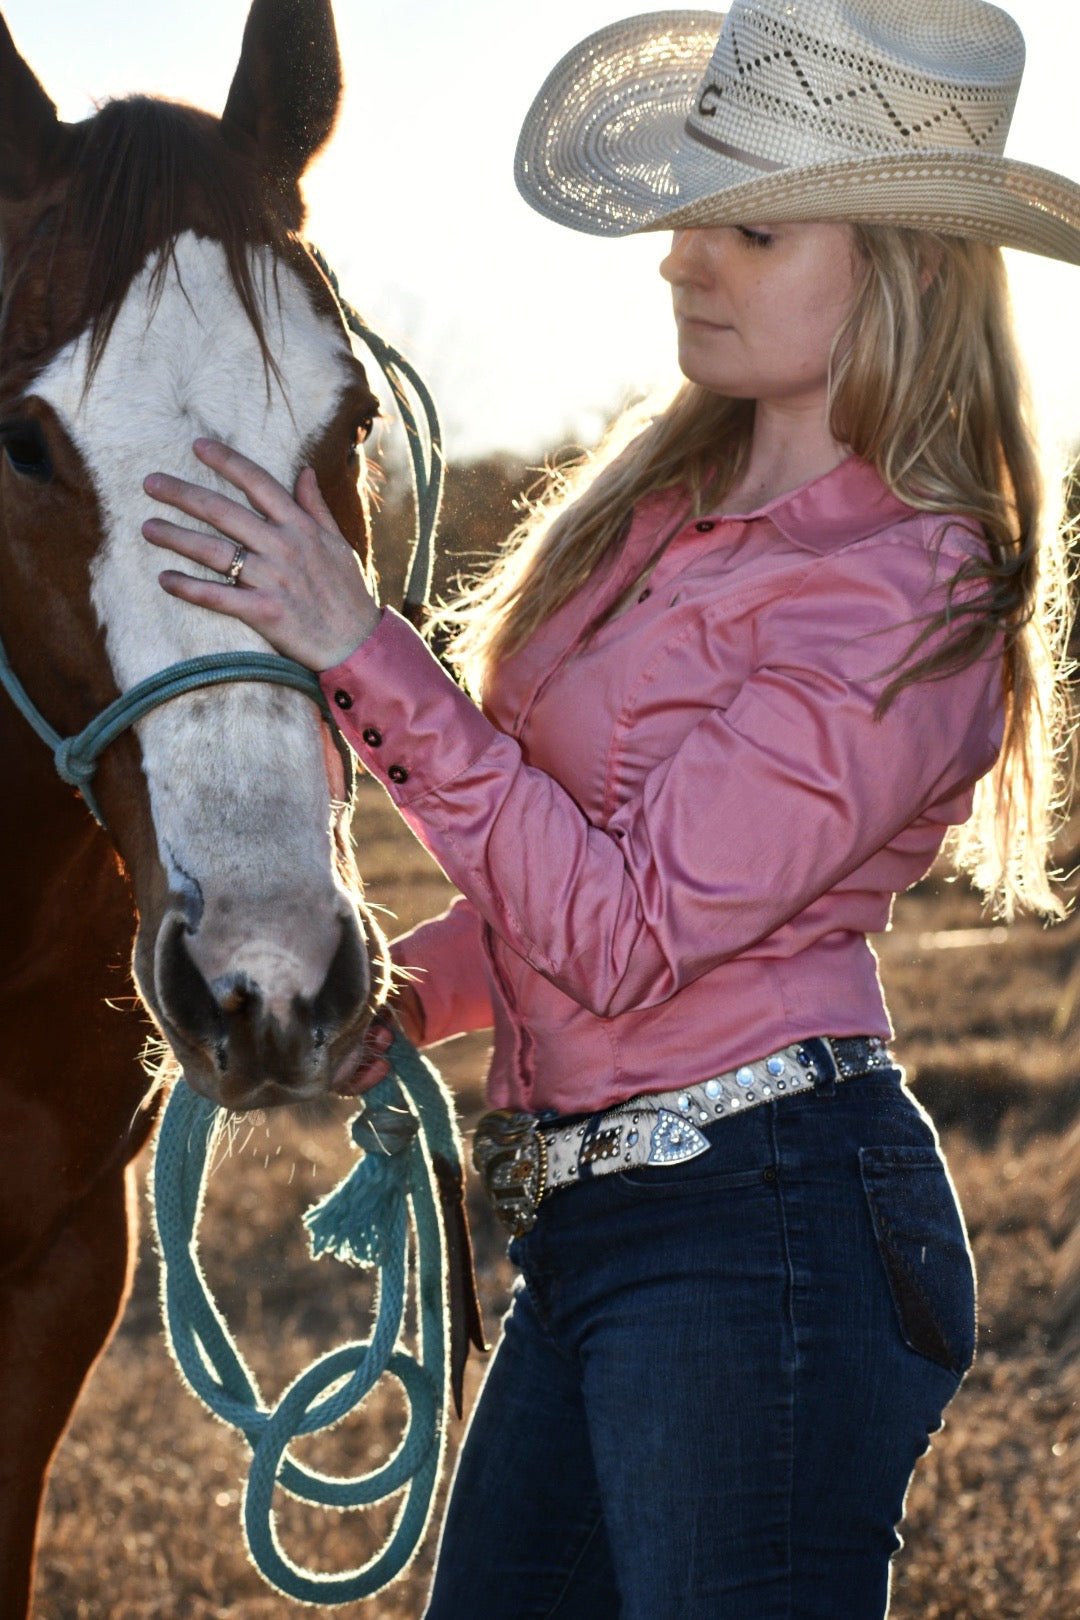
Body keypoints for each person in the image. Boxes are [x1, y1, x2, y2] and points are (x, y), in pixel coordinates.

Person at [140, 0, 1080, 1614]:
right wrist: (401, 1001)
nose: (680, 259)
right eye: (690, 218)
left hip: (761, 1227)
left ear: (908, 264)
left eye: (751, 227)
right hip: (603, 1228)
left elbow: (630, 929)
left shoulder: (908, 586)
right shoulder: (658, 504)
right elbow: (562, 879)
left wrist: (353, 639)